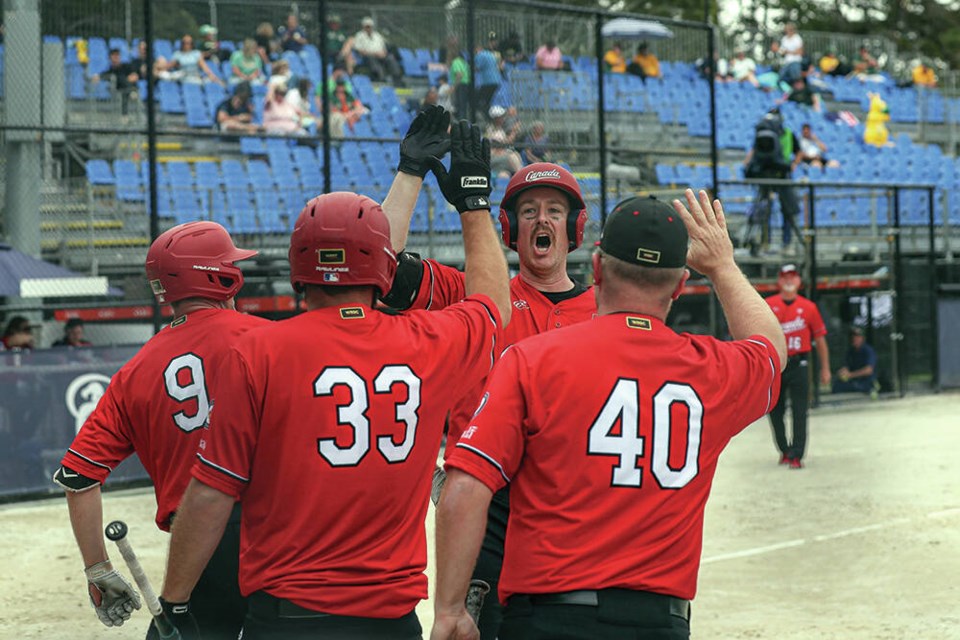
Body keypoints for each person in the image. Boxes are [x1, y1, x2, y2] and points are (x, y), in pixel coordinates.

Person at [156, 121, 511, 640]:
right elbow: (493, 307)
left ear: (299, 263)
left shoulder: (258, 350)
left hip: (286, 618)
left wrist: (175, 603)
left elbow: (211, 494)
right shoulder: (427, 343)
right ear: (383, 267)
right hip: (390, 620)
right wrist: (473, 204)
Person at [431, 189, 786, 640]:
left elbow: (466, 485)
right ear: (679, 286)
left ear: (596, 269)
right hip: (659, 622)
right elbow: (771, 347)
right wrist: (722, 266)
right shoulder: (712, 371)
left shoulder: (531, 360)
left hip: (548, 618)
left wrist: (450, 609)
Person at [380, 105, 598, 640]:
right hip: (486, 499)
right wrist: (410, 174)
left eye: (553, 210)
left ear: (575, 227)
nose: (542, 221)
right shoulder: (472, 294)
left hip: (577, 502)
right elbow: (375, 265)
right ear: (506, 227)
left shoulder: (606, 311)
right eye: (527, 212)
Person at [52, 222, 267, 639]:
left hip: (197, 551)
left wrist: (98, 568)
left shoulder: (136, 369)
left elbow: (78, 477)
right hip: (278, 538)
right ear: (220, 276)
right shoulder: (268, 339)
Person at [766, 264, 830, 469]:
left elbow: (820, 339)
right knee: (775, 410)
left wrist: (825, 368)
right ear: (778, 280)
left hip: (799, 363)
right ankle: (784, 449)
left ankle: (797, 454)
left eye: (793, 277)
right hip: (777, 364)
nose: (789, 281)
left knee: (800, 410)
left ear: (799, 281)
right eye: (785, 276)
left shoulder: (808, 307)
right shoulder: (768, 305)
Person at [743, 109, 802, 254]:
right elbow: (755, 151)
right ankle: (765, 241)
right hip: (766, 174)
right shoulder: (763, 136)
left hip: (783, 174)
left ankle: (786, 243)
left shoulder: (788, 134)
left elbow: (799, 151)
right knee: (764, 209)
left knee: (787, 210)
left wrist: (792, 165)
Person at [352, 17, 404, 86]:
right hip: (368, 55)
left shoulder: (377, 35)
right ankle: (381, 78)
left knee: (390, 58)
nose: (369, 28)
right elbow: (359, 49)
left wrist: (383, 53)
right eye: (367, 26)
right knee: (372, 59)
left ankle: (397, 78)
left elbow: (384, 47)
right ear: (363, 27)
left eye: (370, 26)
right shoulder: (359, 35)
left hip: (380, 54)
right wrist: (374, 53)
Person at [157, 34, 224, 85]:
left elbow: (204, 67)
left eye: (188, 43)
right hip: (183, 76)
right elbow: (169, 66)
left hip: (195, 76)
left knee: (211, 81)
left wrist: (213, 76)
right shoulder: (178, 54)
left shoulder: (196, 54)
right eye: (184, 43)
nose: (186, 45)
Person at [833, 327, 878, 395]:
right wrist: (842, 372)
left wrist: (851, 375)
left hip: (866, 383)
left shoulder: (868, 350)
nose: (854, 338)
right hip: (854, 381)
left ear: (862, 338)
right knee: (837, 386)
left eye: (857, 336)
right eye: (852, 336)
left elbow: (868, 370)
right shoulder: (850, 351)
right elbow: (846, 367)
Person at [486, 106, 523, 177]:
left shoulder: (504, 127)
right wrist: (514, 131)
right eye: (500, 117)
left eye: (502, 116)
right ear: (495, 118)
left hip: (505, 151)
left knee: (515, 156)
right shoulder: (490, 128)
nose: (502, 118)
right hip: (494, 152)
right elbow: (504, 142)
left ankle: (519, 176)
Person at [474, 40, 501, 117]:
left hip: (488, 81)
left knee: (479, 101)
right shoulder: (491, 54)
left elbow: (477, 68)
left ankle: (487, 117)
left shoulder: (479, 55)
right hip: (496, 80)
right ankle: (488, 116)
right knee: (487, 101)